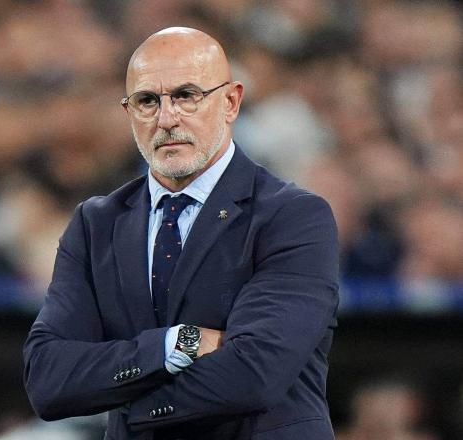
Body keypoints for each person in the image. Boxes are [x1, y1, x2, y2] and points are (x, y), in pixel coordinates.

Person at [23, 27, 339, 440]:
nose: (166, 118)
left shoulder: (293, 216)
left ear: (230, 101)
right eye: (147, 101)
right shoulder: (95, 223)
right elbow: (48, 380)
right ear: (129, 112)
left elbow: (253, 375)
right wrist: (178, 343)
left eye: (186, 95)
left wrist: (127, 408)